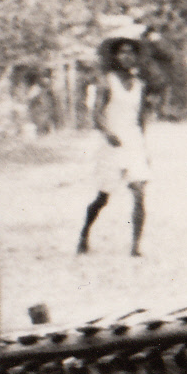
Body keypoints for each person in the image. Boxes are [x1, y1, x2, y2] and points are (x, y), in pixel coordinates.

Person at [76, 25, 152, 257]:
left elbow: (140, 120)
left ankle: (136, 245)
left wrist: (143, 148)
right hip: (111, 143)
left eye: (131, 52)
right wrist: (108, 133)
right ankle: (84, 234)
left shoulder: (140, 85)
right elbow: (97, 114)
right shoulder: (107, 82)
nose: (127, 57)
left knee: (139, 191)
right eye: (122, 52)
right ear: (115, 56)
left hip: (133, 142)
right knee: (103, 196)